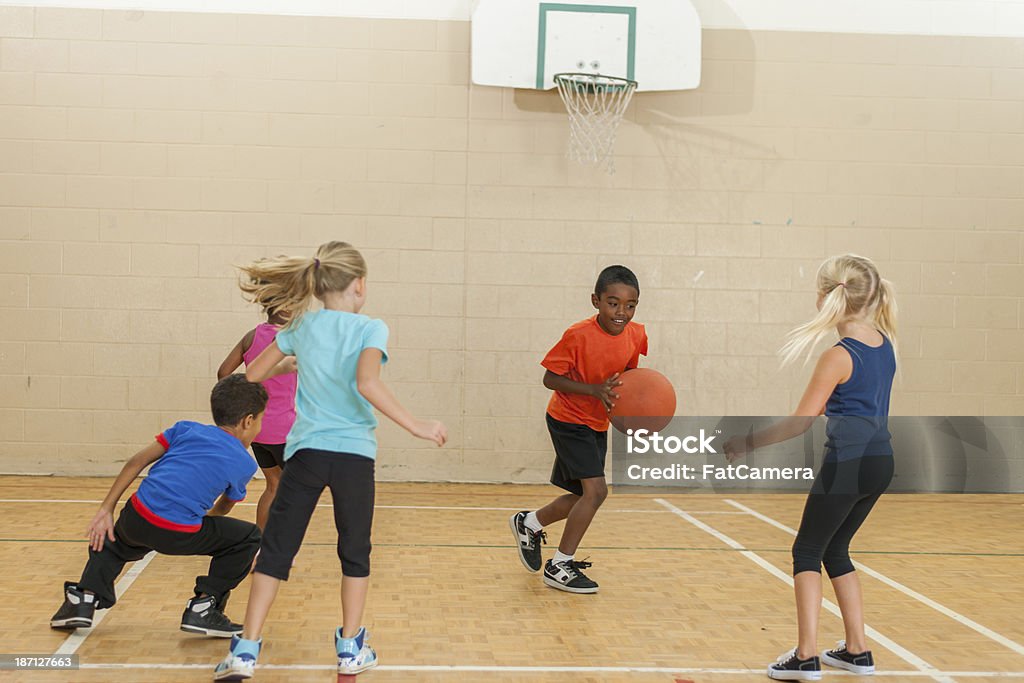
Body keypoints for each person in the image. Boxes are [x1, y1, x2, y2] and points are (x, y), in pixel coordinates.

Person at [214, 241, 447, 681]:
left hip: (305, 453)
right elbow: (366, 382)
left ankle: (245, 649)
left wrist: (295, 365)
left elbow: (252, 375)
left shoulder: (302, 325)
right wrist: (415, 424)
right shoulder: (371, 328)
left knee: (277, 549)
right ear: (359, 285)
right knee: (354, 551)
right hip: (354, 456)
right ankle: (349, 648)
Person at [723, 254, 898, 681]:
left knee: (806, 552)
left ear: (827, 295)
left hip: (848, 465)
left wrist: (745, 443)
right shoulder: (883, 342)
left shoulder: (838, 355)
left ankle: (805, 656)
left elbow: (799, 423)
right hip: (881, 462)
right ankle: (857, 650)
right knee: (837, 550)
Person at [50, 375, 267, 637]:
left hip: (137, 515)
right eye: (261, 421)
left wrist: (106, 509)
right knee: (248, 537)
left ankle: (83, 599)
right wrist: (191, 518)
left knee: (112, 542)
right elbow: (222, 509)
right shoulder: (245, 464)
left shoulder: (184, 429)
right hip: (179, 532)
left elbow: (135, 462)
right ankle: (204, 607)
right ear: (248, 421)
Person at [509, 265, 647, 594]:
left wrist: (629, 416)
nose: (621, 312)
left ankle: (529, 523)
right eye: (613, 303)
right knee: (597, 492)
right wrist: (594, 390)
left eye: (630, 305)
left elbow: (626, 382)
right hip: (568, 419)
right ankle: (560, 565)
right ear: (596, 300)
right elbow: (550, 379)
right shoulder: (578, 335)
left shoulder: (637, 334)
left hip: (597, 421)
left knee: (580, 495)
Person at [217, 304, 296, 530]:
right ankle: (279, 550)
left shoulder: (251, 336)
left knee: (274, 485)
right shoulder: (291, 339)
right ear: (287, 308)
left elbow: (224, 373)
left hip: (256, 427)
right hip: (283, 429)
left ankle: (260, 544)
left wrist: (243, 400)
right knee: (296, 490)